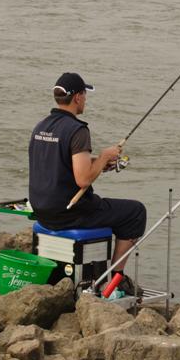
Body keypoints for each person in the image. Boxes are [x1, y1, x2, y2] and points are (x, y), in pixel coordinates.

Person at [28, 72, 146, 295]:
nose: (86, 99)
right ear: (77, 97)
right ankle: (115, 279)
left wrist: (99, 163)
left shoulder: (41, 127)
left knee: (114, 209)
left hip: (42, 210)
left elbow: (58, 161)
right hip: (70, 212)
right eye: (85, 94)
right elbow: (82, 179)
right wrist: (104, 156)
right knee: (135, 212)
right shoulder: (78, 130)